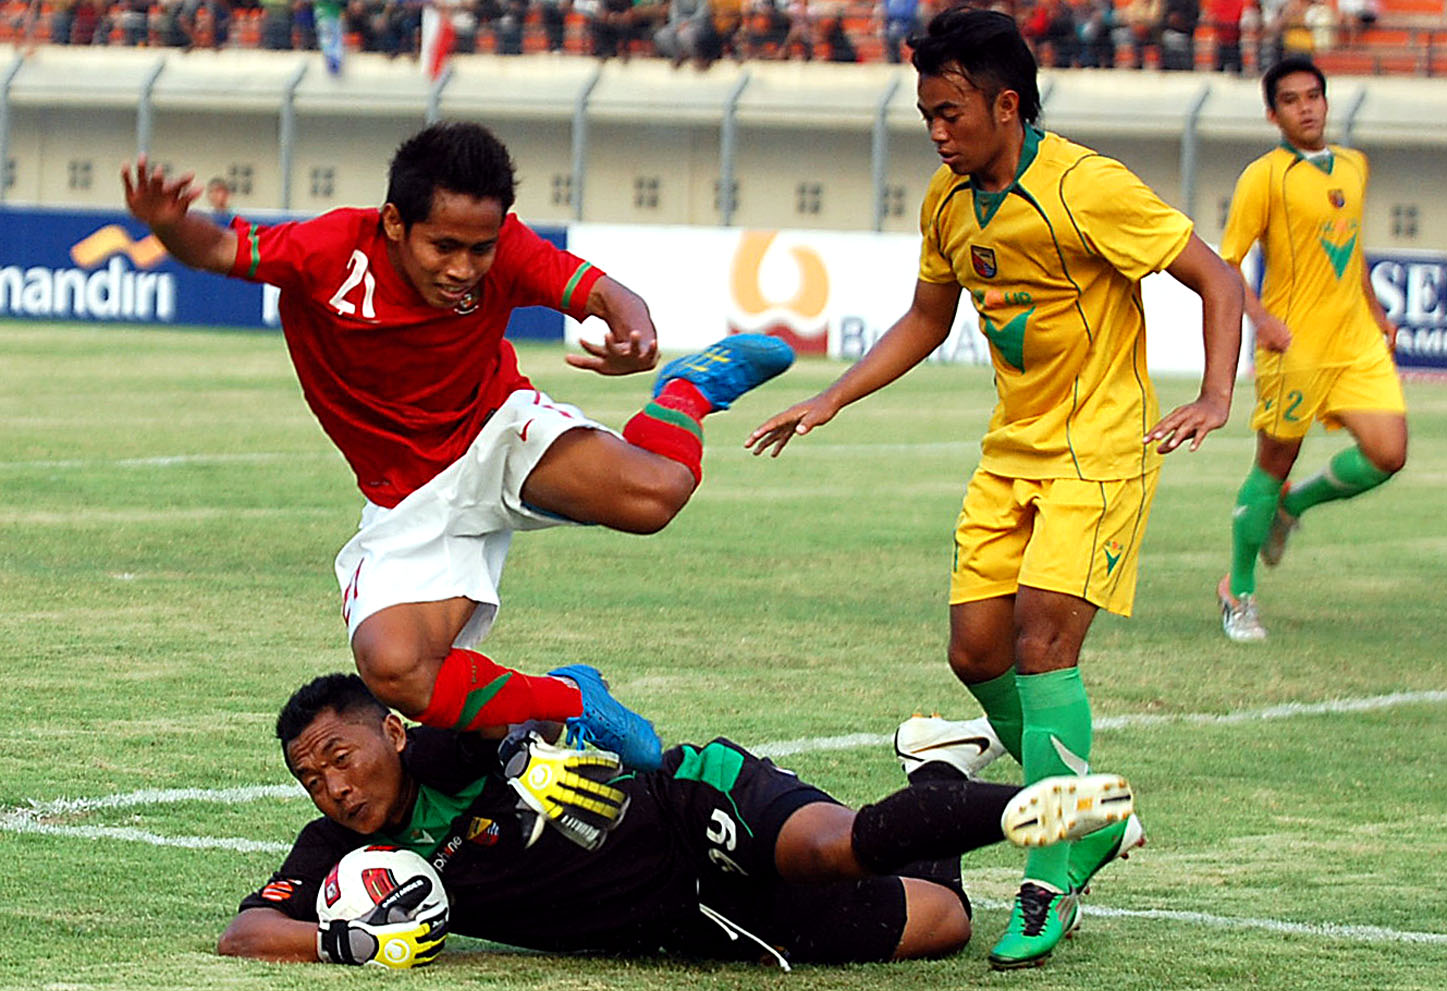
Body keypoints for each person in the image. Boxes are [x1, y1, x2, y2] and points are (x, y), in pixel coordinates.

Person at [747, 8, 1241, 969]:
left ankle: (1052, 867)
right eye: (926, 112)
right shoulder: (947, 200)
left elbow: (1214, 278)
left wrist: (1215, 394)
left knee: (1042, 640)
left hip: (1099, 449)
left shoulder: (1084, 186)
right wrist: (832, 396)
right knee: (976, 652)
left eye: (950, 111)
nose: (935, 129)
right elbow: (928, 317)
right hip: (1011, 450)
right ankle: (1089, 814)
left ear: (1005, 104)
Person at [121, 121, 794, 770]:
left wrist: (637, 338)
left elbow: (611, 296)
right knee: (397, 670)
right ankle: (573, 700)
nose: (464, 268)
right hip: (408, 496)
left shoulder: (509, 250)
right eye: (443, 246)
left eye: (481, 248)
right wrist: (168, 223)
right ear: (393, 222)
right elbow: (215, 250)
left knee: (659, 495)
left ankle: (686, 392)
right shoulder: (331, 250)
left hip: (496, 428)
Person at [217, 672, 1139, 968]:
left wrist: (530, 743)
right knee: (944, 928)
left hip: (690, 805)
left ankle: (1039, 813)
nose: (331, 788)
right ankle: (937, 762)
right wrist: (360, 943)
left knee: (833, 845)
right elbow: (246, 931)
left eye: (340, 757)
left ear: (392, 727)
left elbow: (563, 690)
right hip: (682, 917)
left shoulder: (452, 740)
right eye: (310, 778)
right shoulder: (347, 847)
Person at [1216, 57, 1405, 643]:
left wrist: (1374, 311)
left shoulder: (1354, 166)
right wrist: (1261, 318)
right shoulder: (1263, 178)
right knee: (1273, 464)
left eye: (1315, 96)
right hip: (1294, 347)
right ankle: (1237, 591)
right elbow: (1225, 263)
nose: (1308, 107)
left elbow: (1348, 247)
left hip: (1355, 344)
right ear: (1273, 113)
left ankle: (1292, 509)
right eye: (1293, 100)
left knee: (1388, 453)